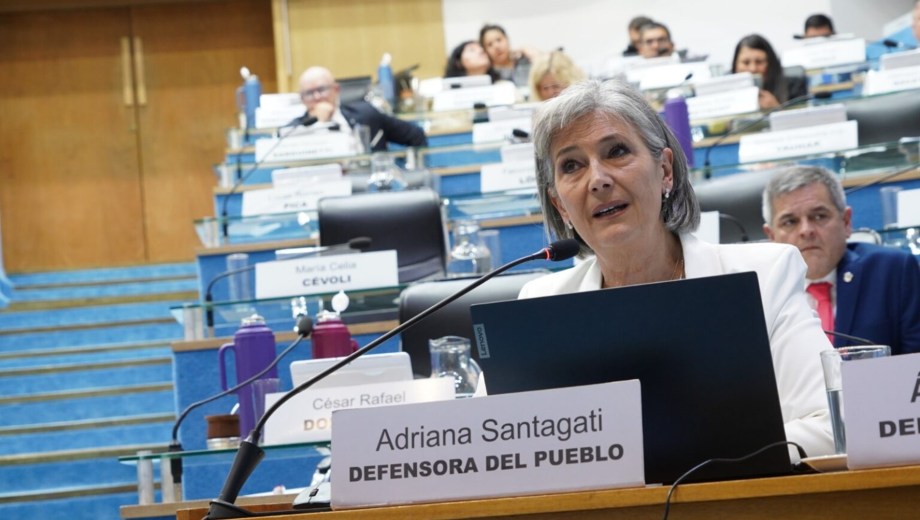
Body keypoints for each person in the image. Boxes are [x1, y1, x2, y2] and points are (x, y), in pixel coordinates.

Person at [519, 79, 834, 459]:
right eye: (572, 165)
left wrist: (660, 458)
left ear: (665, 170)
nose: (598, 179)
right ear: (560, 206)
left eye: (616, 151)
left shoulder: (764, 277)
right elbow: (502, 451)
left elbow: (832, 425)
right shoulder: (539, 306)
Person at [762, 165, 920, 355]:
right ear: (771, 236)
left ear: (846, 222)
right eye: (790, 222)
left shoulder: (892, 272)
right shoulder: (760, 293)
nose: (806, 230)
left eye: (819, 216)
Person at [296, 66, 427, 152]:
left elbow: (415, 135)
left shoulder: (367, 114)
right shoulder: (293, 131)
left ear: (336, 89)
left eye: (321, 89)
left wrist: (412, 174)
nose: (317, 97)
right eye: (309, 93)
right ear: (302, 99)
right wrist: (320, 123)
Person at [731, 34, 808, 110]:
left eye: (759, 62)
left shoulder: (795, 86)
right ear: (735, 64)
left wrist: (777, 109)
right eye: (746, 62)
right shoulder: (726, 92)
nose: (753, 69)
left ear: (770, 63)